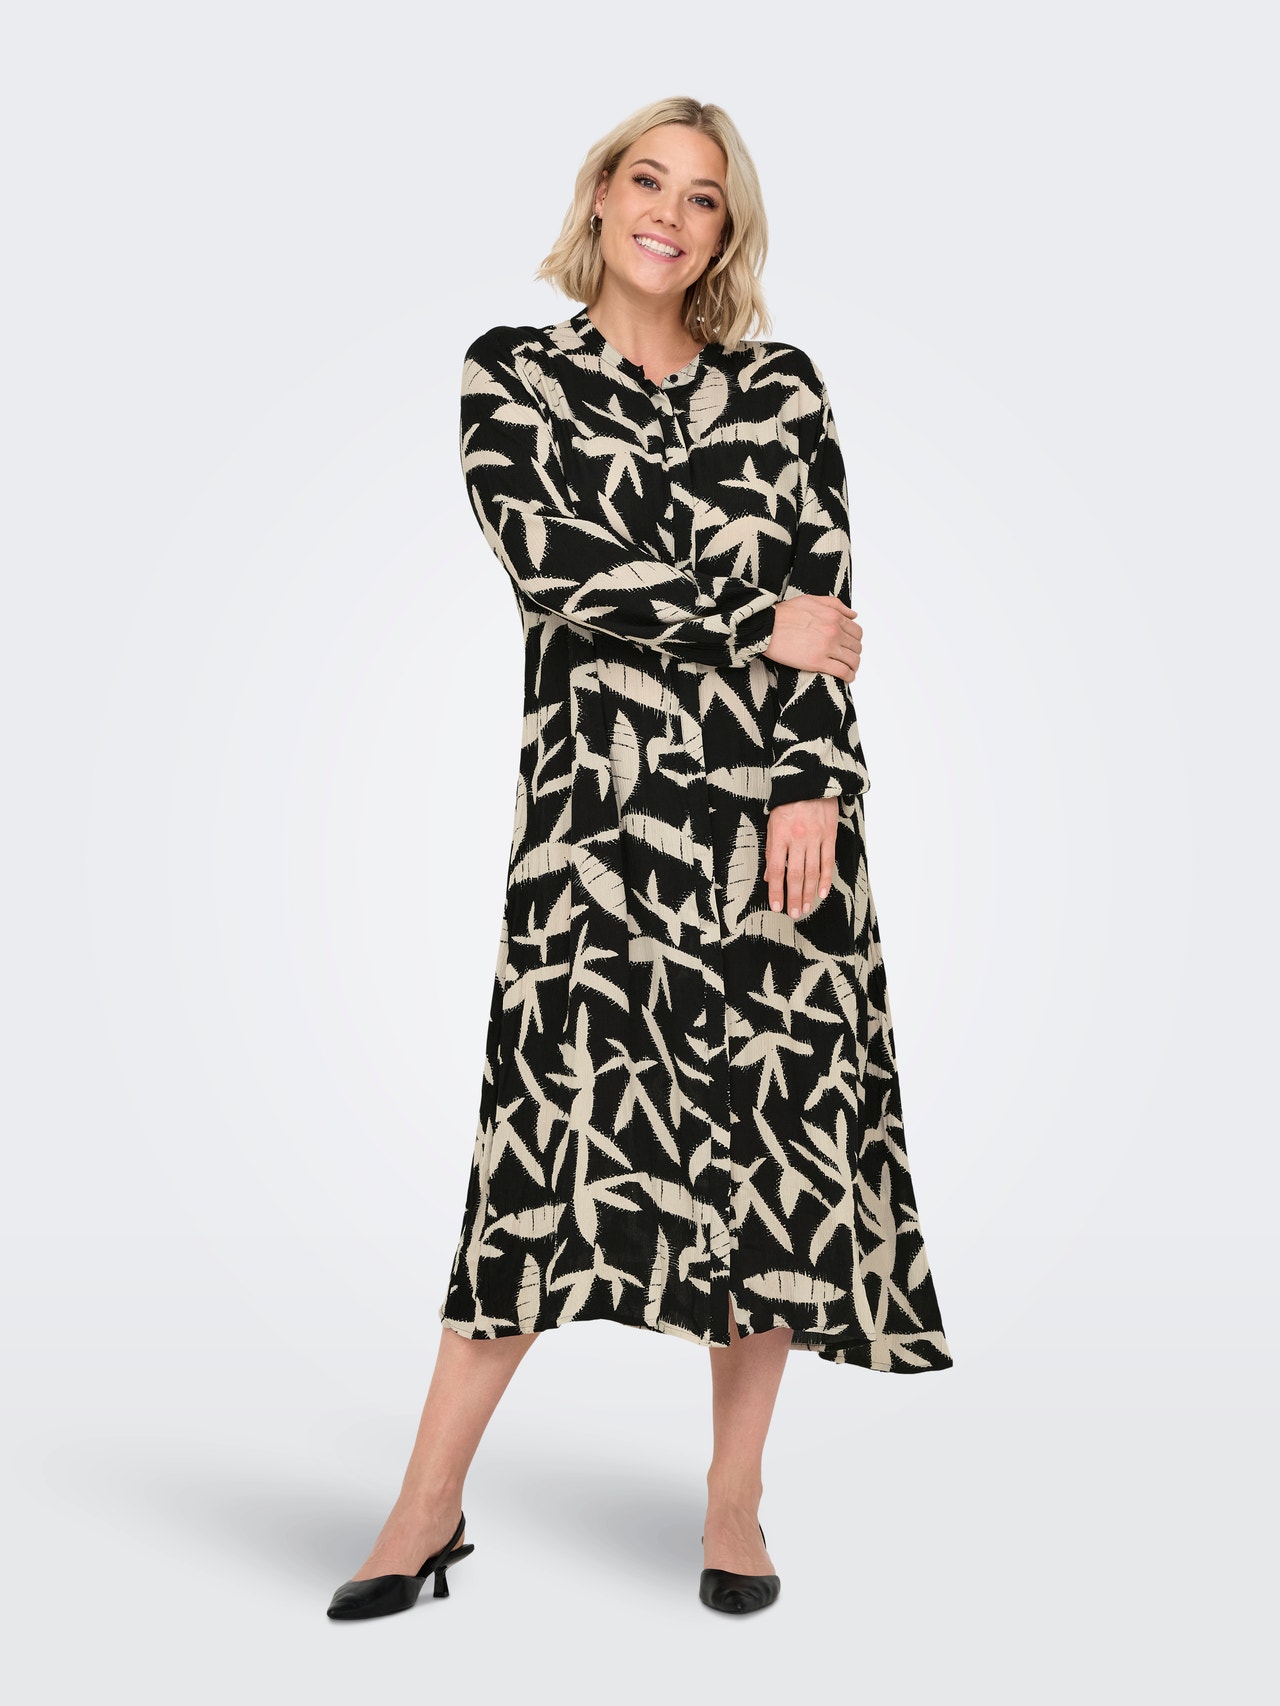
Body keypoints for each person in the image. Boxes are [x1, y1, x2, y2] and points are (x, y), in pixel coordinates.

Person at [326, 94, 954, 1624]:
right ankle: (424, 1504)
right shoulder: (515, 375)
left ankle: (734, 1499)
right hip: (596, 840)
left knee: (772, 1160)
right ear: (601, 194)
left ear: (727, 231)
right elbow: (559, 564)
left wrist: (814, 784)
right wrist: (754, 616)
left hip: (772, 834)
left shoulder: (782, 390)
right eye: (648, 180)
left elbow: (828, 609)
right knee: (537, 1167)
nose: (672, 213)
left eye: (705, 196)